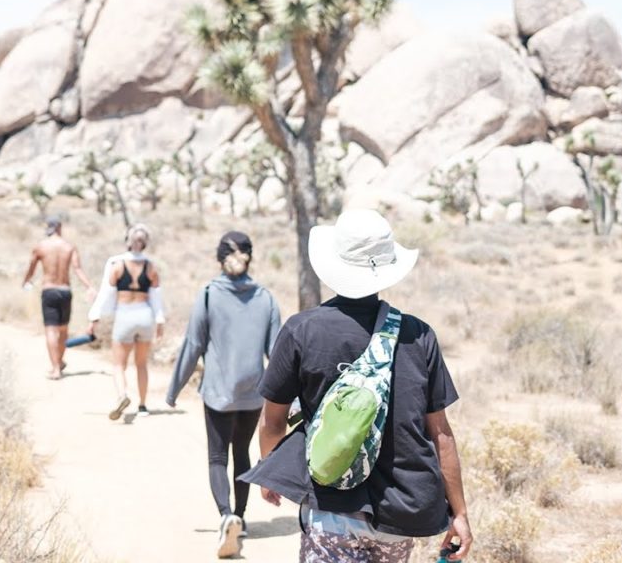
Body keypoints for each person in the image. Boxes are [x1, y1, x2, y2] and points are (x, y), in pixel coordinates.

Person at [242, 209, 473, 562]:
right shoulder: (418, 335)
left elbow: (271, 421)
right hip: (400, 515)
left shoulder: (302, 331)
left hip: (332, 509)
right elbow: (440, 433)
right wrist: (459, 513)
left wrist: (272, 474)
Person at [166, 232, 281, 560]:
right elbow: (277, 353)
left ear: (219, 259)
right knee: (242, 452)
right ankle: (241, 519)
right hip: (253, 393)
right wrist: (295, 398)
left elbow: (193, 345)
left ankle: (225, 514)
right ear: (250, 258)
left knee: (218, 456)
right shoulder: (266, 298)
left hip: (218, 391)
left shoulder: (207, 295)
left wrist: (174, 388)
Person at [88, 223, 165, 420]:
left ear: (128, 241)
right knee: (141, 364)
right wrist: (160, 321)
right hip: (145, 316)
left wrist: (94, 317)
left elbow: (105, 293)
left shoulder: (117, 265)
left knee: (118, 364)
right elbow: (156, 297)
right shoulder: (150, 267)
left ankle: (122, 395)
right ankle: (142, 406)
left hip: (125, 315)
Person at [22, 218, 97, 380]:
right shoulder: (69, 247)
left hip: (49, 290)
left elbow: (31, 268)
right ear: (60, 228)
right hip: (65, 290)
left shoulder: (41, 246)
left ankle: (55, 368)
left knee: (50, 329)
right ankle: (60, 361)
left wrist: (25, 281)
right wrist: (89, 286)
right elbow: (77, 269)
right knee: (63, 329)